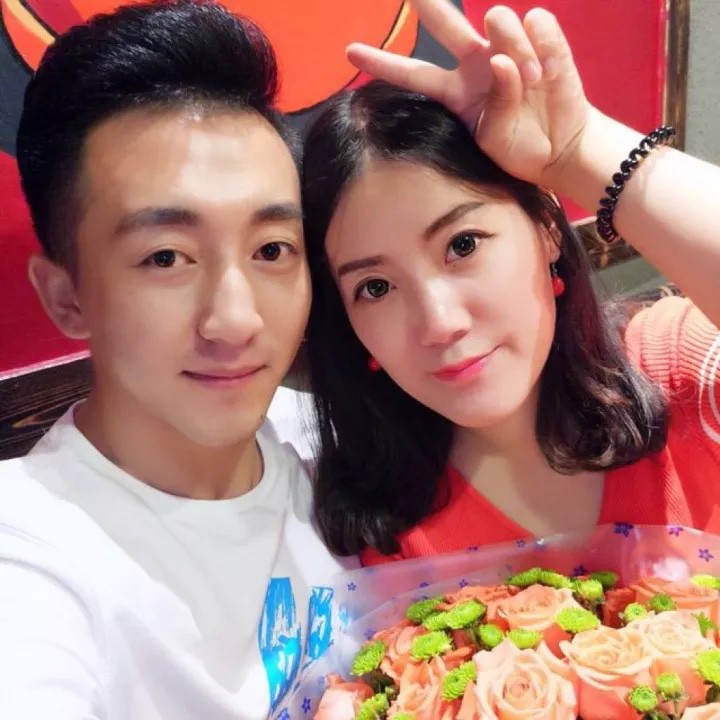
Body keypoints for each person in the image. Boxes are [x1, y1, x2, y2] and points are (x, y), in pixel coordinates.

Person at [0, 1, 354, 718]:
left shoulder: (329, 442)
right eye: (166, 257)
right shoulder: (31, 550)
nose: (236, 319)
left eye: (272, 250)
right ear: (67, 297)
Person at [301, 0, 720, 565]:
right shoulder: (371, 537)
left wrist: (580, 152)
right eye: (375, 288)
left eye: (462, 245)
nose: (440, 323)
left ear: (547, 229)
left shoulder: (679, 374)